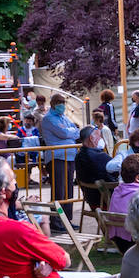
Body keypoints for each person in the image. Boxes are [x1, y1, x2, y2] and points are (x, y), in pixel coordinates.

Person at [39, 94, 81, 227]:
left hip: (69, 157)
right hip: (56, 157)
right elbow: (63, 133)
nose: (61, 104)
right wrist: (72, 132)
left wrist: (71, 132)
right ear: (52, 103)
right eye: (59, 102)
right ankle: (56, 220)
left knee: (68, 191)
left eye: (63, 102)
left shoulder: (64, 117)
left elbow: (76, 131)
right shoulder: (48, 119)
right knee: (59, 192)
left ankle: (67, 220)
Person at [75, 124, 117, 207]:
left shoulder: (79, 155)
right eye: (99, 137)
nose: (101, 139)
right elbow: (116, 171)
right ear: (91, 138)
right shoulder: (98, 156)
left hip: (91, 198)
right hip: (104, 199)